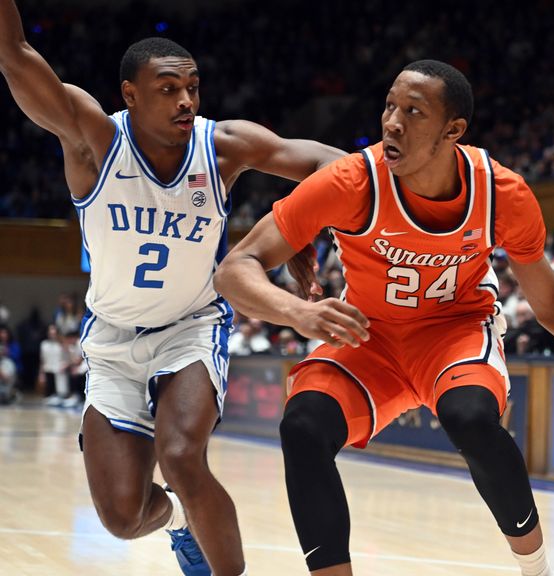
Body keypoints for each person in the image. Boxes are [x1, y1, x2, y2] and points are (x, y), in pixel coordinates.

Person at [214, 60, 554, 576]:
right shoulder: (350, 181)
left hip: (455, 332)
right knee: (302, 427)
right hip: (368, 336)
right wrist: (296, 312)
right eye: (390, 105)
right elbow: (236, 268)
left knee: (471, 417)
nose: (392, 122)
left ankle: (538, 568)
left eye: (413, 112)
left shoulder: (503, 194)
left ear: (453, 130)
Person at [0, 2, 343, 574]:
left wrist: (299, 222)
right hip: (110, 339)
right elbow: (14, 57)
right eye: (168, 89)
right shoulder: (94, 142)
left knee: (182, 456)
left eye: (193, 87)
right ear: (130, 94)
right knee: (121, 516)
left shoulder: (224, 145)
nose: (186, 101)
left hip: (191, 325)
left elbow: (329, 165)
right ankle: (182, 522)